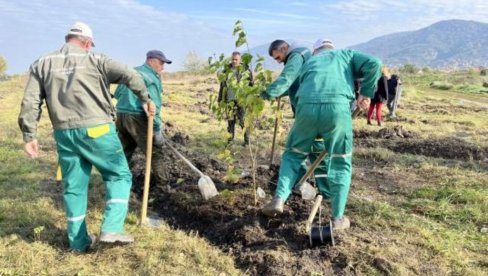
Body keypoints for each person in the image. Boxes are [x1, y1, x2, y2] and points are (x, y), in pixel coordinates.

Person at [18, 22, 155, 252]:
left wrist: (29, 134)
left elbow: (30, 101)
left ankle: (78, 242)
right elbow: (130, 74)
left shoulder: (42, 63)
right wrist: (145, 98)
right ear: (87, 43)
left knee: (74, 187)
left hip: (64, 134)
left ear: (68, 38)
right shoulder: (96, 60)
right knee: (119, 175)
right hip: (97, 130)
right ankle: (111, 227)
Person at [261, 38, 382, 230]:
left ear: (315, 51)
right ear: (332, 48)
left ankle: (278, 199)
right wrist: (365, 94)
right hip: (337, 110)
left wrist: (271, 95)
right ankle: (337, 219)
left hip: (305, 109)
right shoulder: (346, 55)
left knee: (292, 155)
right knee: (340, 160)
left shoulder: (308, 61)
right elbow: (374, 63)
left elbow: (293, 87)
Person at [261, 39, 331, 207]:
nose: (279, 61)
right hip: (322, 111)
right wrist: (280, 93)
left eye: (278, 57)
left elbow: (287, 78)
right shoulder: (306, 56)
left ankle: (286, 192)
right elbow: (295, 84)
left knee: (293, 152)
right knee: (317, 150)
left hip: (308, 112)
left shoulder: (297, 56)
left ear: (285, 48)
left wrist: (267, 93)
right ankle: (326, 191)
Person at [115, 50, 172, 187]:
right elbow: (153, 106)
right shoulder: (150, 78)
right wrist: (157, 130)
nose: (163, 67)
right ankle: (163, 186)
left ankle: (117, 181)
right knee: (155, 152)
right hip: (137, 117)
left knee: (125, 150)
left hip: (121, 116)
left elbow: (117, 94)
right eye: (161, 63)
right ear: (151, 61)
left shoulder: (131, 72)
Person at [217, 51, 252, 145]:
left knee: (242, 121)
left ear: (240, 60)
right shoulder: (226, 71)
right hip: (229, 100)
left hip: (241, 100)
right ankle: (230, 141)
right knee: (230, 121)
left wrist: (250, 100)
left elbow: (251, 85)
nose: (234, 61)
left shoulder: (245, 71)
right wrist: (220, 99)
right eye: (233, 59)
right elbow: (222, 86)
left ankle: (247, 142)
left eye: (236, 59)